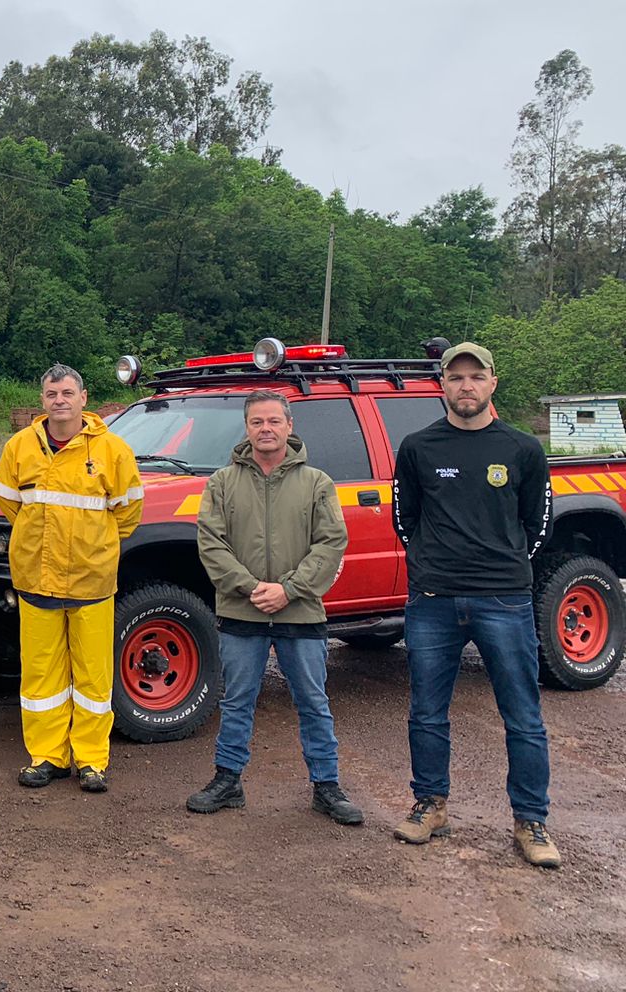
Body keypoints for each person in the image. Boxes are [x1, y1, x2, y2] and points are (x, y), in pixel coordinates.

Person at [392, 342, 560, 868]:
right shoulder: (418, 447)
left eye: (476, 376)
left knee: (523, 715)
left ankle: (531, 820)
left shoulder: (522, 447)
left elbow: (538, 525)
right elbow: (405, 520)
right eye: (455, 377)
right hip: (433, 601)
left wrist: (504, 567)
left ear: (492, 383)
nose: (466, 386)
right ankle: (430, 804)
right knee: (426, 710)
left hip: (504, 600)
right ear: (441, 384)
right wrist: (429, 568)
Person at [188, 390, 362, 824]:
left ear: (289, 426)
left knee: (313, 701)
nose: (265, 429)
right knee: (237, 700)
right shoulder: (222, 483)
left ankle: (327, 786)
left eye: (273, 421)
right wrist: (250, 588)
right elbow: (211, 544)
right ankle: (227, 781)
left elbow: (331, 543)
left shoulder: (317, 482)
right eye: (256, 422)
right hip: (240, 612)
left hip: (300, 611)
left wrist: (288, 589)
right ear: (246, 428)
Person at [0, 364, 142, 793]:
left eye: (67, 393)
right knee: (40, 677)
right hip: (36, 579)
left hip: (91, 582)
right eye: (51, 393)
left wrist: (93, 546)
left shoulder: (112, 450)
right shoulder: (20, 446)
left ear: (83, 397)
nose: (59, 400)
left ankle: (92, 760)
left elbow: (127, 513)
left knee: (94, 678)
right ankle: (47, 756)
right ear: (42, 400)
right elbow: (9, 501)